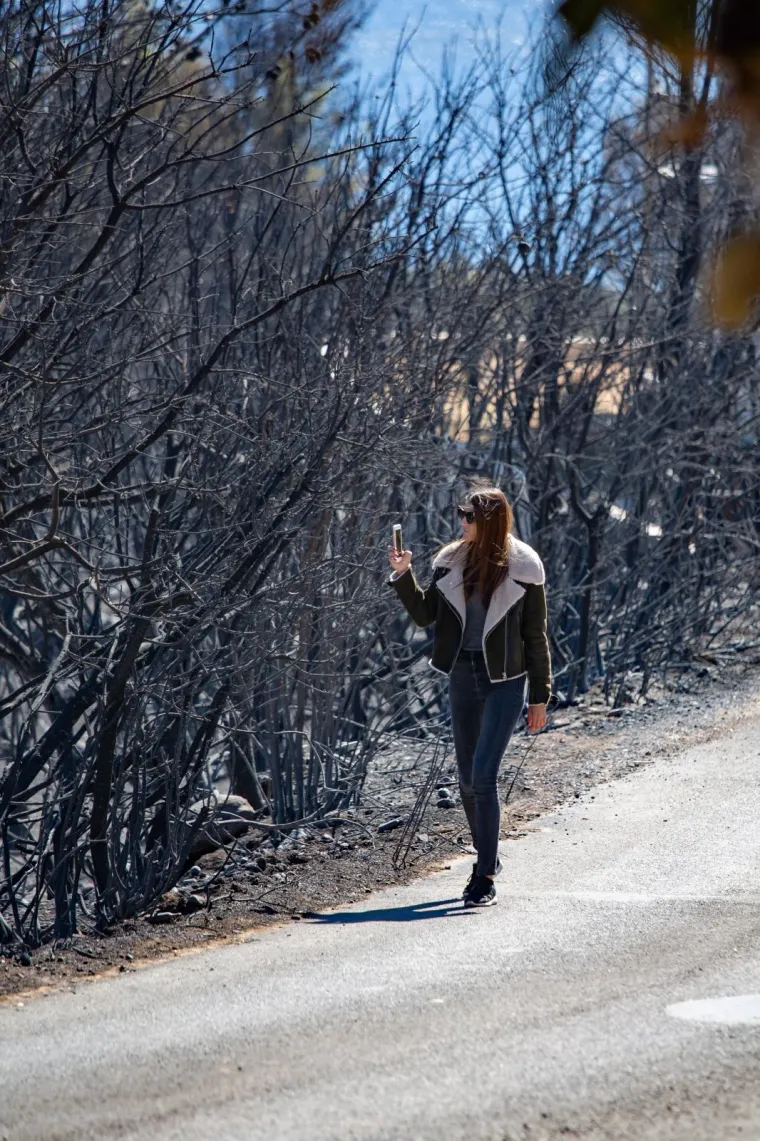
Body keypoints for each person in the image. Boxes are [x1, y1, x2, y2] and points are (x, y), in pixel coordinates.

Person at [387, 482, 551, 908]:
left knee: (483, 777)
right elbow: (425, 615)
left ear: (489, 521)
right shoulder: (450, 561)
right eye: (461, 514)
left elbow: (535, 636)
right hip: (462, 675)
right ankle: (489, 856)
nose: (461, 521)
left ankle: (483, 876)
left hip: (505, 680)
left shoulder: (524, 567)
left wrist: (540, 696)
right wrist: (405, 575)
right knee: (464, 781)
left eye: (469, 515)